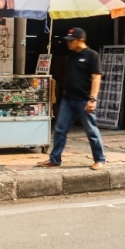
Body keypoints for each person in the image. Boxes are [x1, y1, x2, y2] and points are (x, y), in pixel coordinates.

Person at [38, 27, 107, 170]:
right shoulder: (71, 56)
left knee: (91, 130)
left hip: (84, 99)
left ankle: (100, 159)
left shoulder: (92, 56)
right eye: (68, 40)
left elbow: (96, 78)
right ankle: (54, 159)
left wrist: (92, 99)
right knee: (60, 129)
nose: (68, 43)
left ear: (81, 40)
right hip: (68, 99)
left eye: (71, 40)